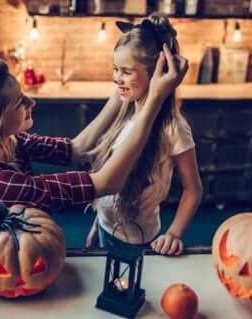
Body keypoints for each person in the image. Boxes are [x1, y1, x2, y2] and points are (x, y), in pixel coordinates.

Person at [0, 43, 188, 249]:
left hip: (14, 247)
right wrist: (155, 98)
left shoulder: (9, 142)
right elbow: (107, 182)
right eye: (19, 102)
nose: (31, 103)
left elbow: (78, 148)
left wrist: (123, 86)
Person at [82, 14, 202, 256]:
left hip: (136, 241)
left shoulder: (173, 128)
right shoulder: (124, 108)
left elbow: (193, 189)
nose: (117, 78)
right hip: (105, 228)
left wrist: (174, 233)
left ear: (159, 73)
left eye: (126, 71)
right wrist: (98, 224)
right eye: (116, 69)